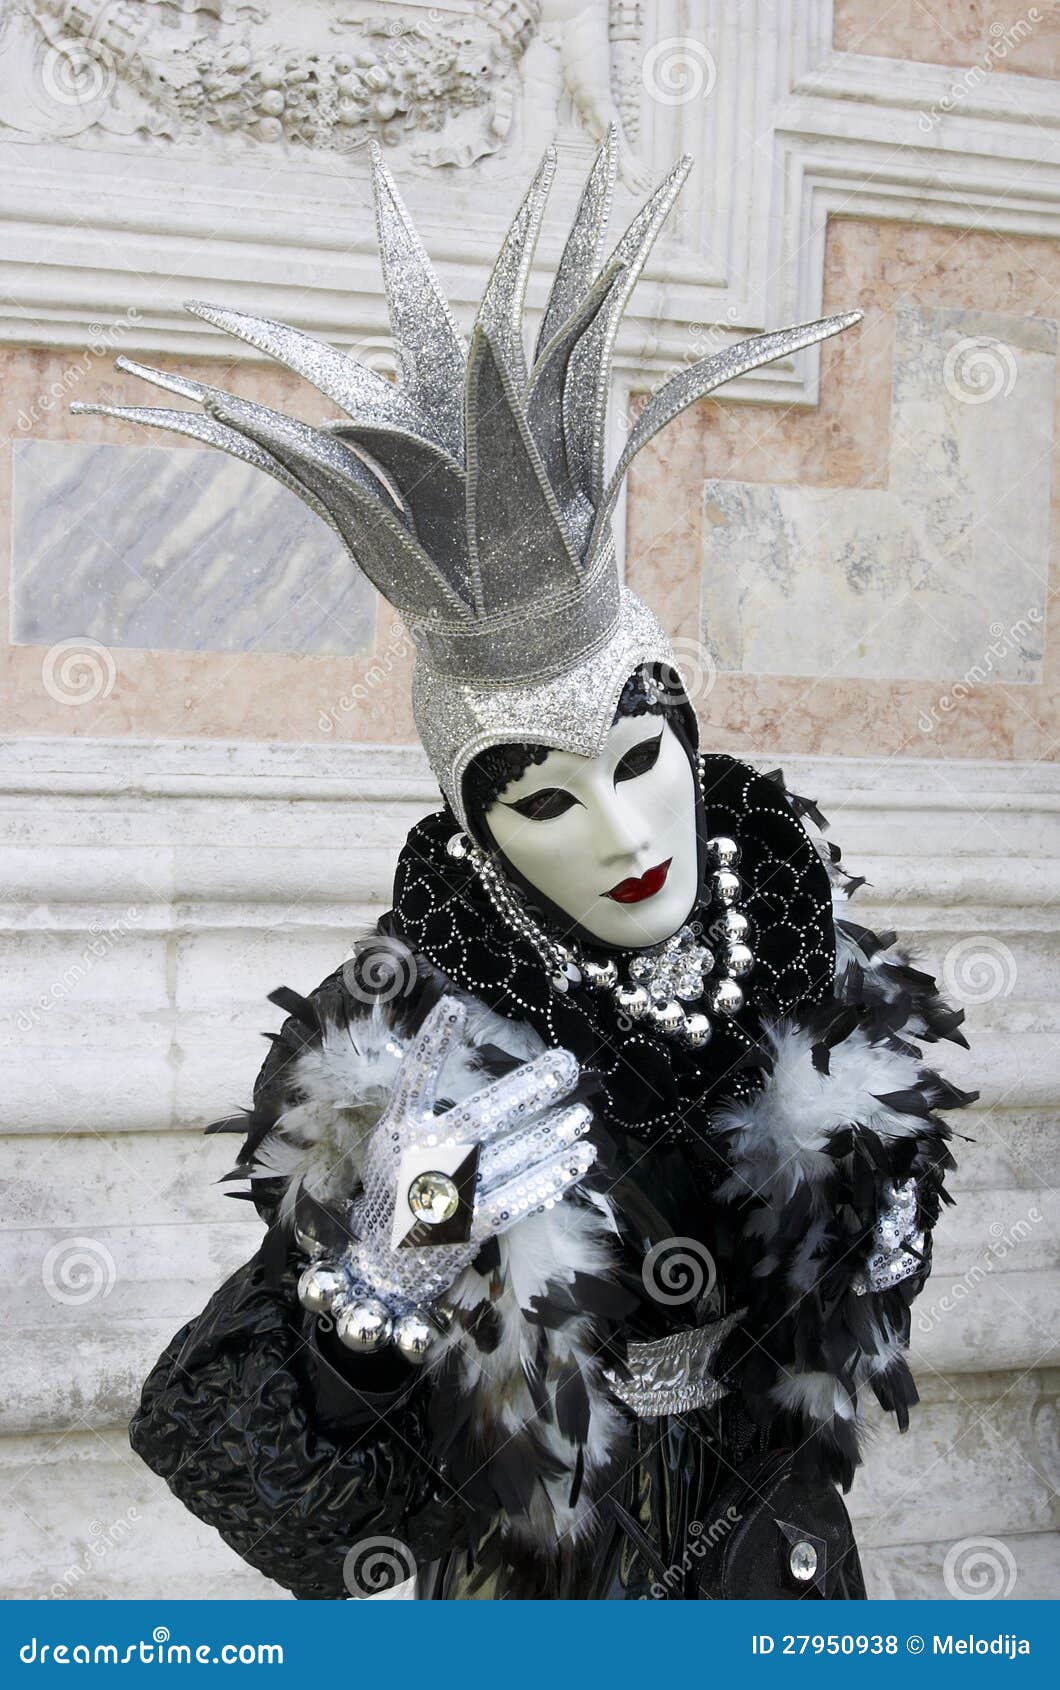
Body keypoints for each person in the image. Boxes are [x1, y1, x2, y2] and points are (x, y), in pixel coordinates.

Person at [74, 132, 973, 1601]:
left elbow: (830, 1351)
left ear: (685, 742)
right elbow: (236, 1445)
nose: (621, 839)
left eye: (636, 765)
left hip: (773, 1571)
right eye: (547, 801)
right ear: (479, 829)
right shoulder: (419, 1049)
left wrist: (873, 1245)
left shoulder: (812, 967)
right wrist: (374, 1293)